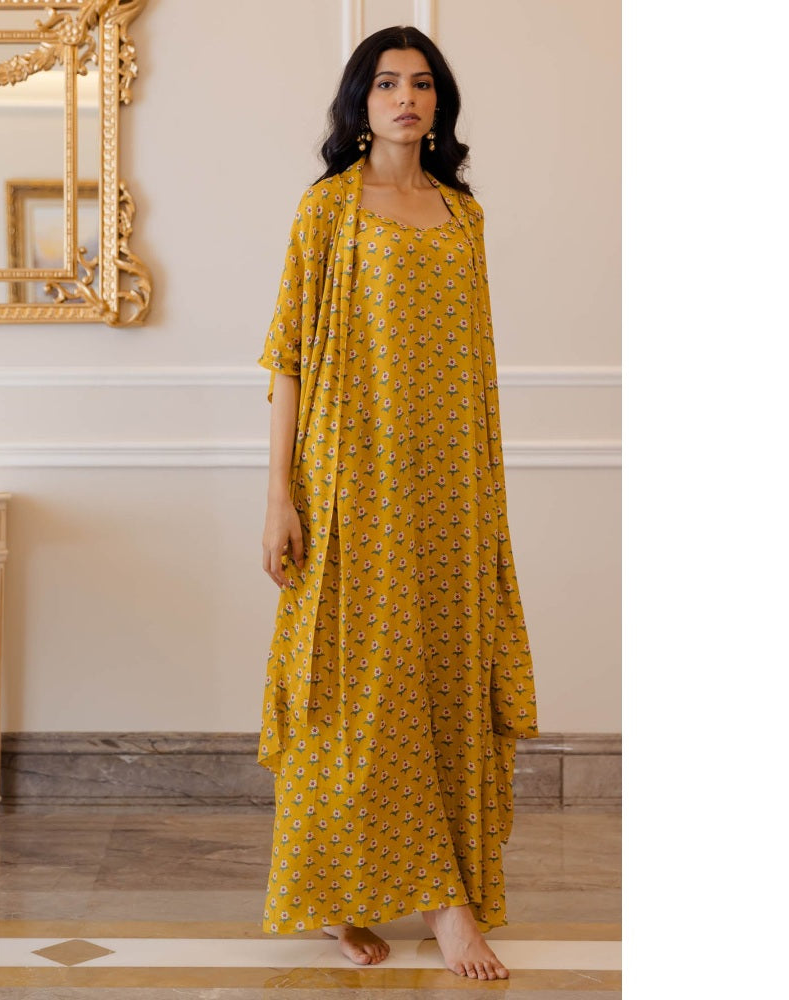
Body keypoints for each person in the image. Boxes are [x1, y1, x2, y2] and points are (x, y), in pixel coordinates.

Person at [256, 25, 539, 981]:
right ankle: (361, 895)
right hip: (349, 484)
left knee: (444, 682)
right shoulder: (327, 210)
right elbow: (288, 358)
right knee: (355, 690)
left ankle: (434, 892)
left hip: (450, 488)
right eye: (386, 84)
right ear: (360, 102)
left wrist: (486, 494)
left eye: (421, 83)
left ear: (439, 102)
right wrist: (280, 496)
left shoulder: (464, 216)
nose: (406, 98)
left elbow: (478, 368)